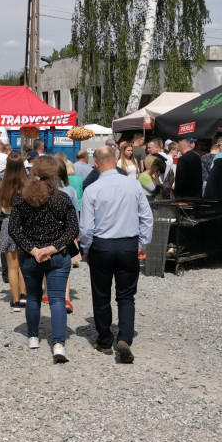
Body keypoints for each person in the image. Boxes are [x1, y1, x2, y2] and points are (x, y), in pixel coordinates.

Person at [79, 145, 154, 364]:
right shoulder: (133, 185)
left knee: (101, 294)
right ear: (116, 159)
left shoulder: (92, 189)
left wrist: (86, 249)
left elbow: (86, 227)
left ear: (96, 164)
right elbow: (146, 217)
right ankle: (125, 338)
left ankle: (104, 341)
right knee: (126, 294)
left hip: (102, 246)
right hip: (128, 244)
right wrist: (143, 243)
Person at [8, 156, 79, 362]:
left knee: (33, 297)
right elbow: (73, 228)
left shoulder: (22, 198)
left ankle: (32, 336)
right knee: (57, 299)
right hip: (57, 256)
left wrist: (33, 249)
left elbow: (13, 228)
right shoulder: (63, 198)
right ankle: (58, 344)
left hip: (31, 257)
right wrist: (53, 247)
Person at [0, 152, 28, 312]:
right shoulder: (28, 184)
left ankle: (15, 301)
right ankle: (25, 294)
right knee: (24, 264)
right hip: (25, 224)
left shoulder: (2, 185)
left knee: (12, 266)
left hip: (8, 223)